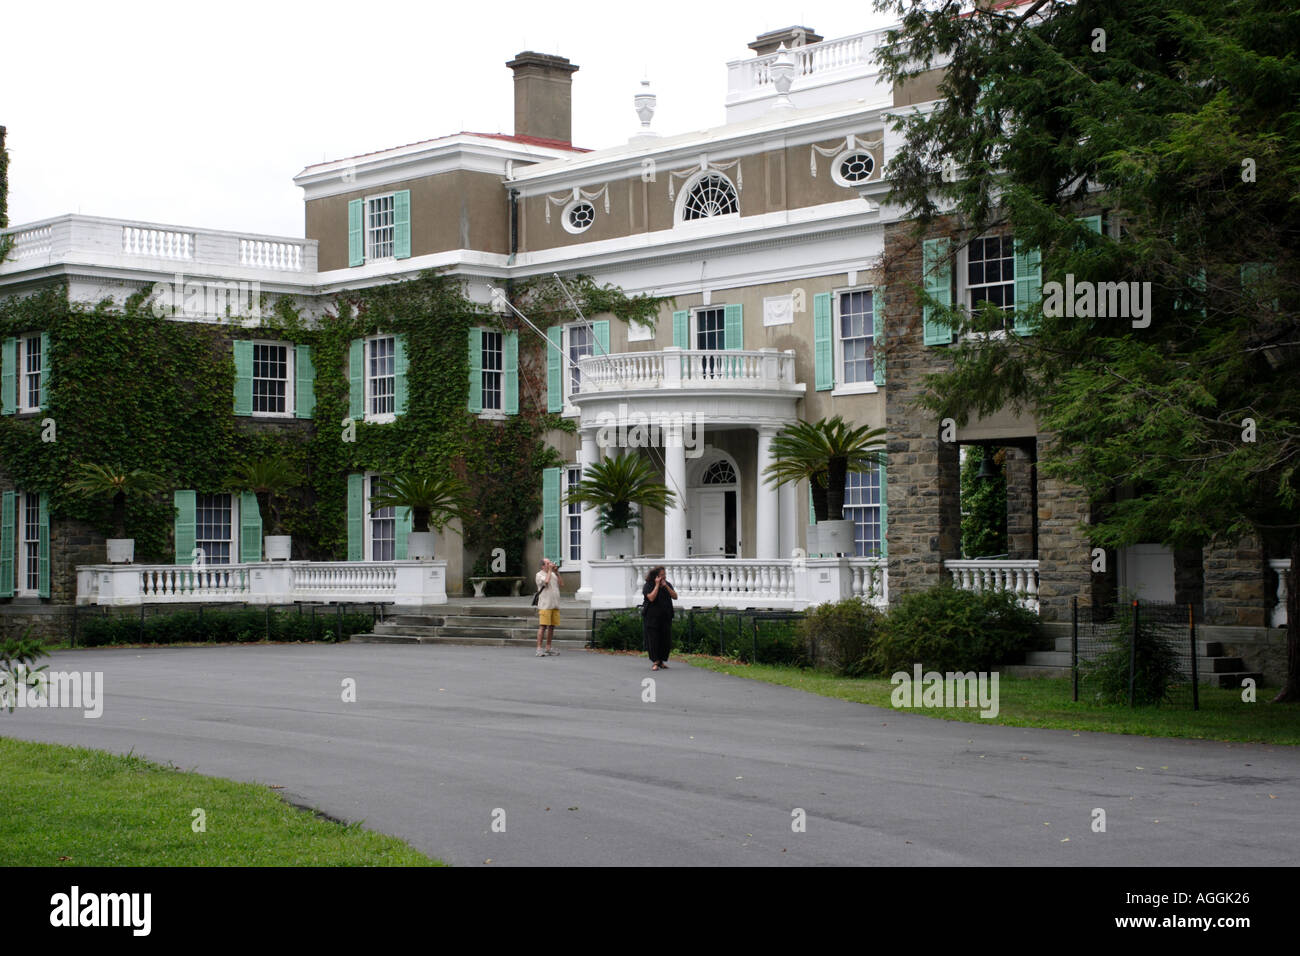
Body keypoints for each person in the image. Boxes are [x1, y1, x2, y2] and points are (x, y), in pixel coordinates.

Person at [641, 565, 677, 671]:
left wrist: (666, 586)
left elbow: (675, 596)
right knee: (653, 639)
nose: (664, 577)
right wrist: (657, 585)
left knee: (665, 639)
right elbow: (651, 598)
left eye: (664, 575)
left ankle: (661, 661)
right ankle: (655, 661)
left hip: (665, 617)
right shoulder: (648, 585)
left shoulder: (667, 584)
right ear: (656, 576)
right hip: (651, 618)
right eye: (662, 575)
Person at [534, 558, 562, 657]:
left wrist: (557, 572)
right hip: (545, 605)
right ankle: (539, 649)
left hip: (554, 604)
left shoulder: (553, 574)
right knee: (543, 626)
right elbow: (546, 582)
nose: (550, 564)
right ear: (543, 566)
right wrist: (550, 571)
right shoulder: (539, 575)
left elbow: (561, 584)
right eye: (548, 563)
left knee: (551, 627)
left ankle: (548, 648)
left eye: (550, 562)